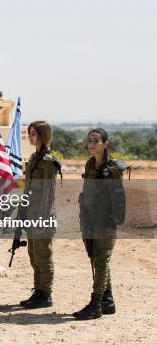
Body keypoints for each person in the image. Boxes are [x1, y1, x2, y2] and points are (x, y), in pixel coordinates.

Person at [73, 128, 128, 320]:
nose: (92, 144)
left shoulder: (112, 169)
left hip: (105, 222)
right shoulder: (90, 165)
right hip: (89, 220)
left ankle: (96, 304)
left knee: (102, 261)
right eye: (90, 140)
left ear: (105, 143)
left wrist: (113, 223)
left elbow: (119, 199)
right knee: (97, 259)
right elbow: (85, 194)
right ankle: (108, 300)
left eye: (96, 140)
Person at [18, 121, 60, 308]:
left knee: (43, 256)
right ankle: (38, 291)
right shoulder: (35, 158)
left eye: (34, 133)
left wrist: (42, 218)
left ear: (43, 135)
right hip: (31, 214)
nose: (30, 136)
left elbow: (48, 193)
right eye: (29, 133)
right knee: (34, 256)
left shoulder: (48, 161)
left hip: (42, 216)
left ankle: (46, 294)